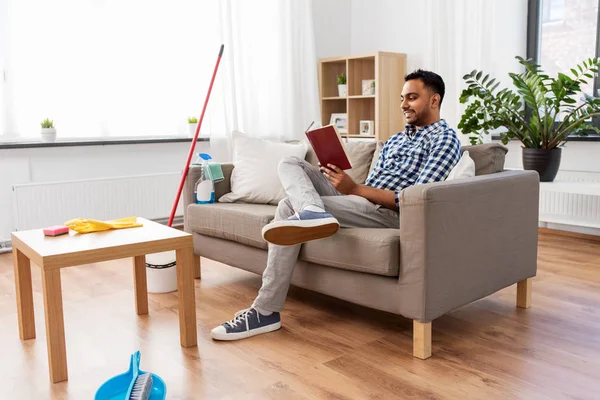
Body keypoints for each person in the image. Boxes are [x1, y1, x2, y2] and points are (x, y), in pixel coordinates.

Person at [211, 69, 462, 341]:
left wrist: (353, 188)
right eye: (402, 98)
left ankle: (265, 311)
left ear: (434, 100)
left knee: (286, 208)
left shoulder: (444, 139)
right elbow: (372, 181)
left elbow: (411, 199)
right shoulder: (396, 139)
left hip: (389, 213)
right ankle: (313, 212)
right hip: (359, 200)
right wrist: (340, 180)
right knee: (290, 163)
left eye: (412, 98)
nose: (403, 105)